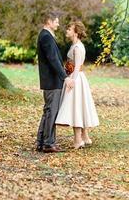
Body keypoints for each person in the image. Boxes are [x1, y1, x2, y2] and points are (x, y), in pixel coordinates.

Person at [55, 21, 99, 149]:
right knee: (78, 107)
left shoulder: (78, 47)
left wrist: (72, 82)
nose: (67, 31)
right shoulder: (74, 45)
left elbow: (77, 67)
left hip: (76, 79)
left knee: (76, 109)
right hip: (73, 77)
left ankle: (78, 140)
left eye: (69, 29)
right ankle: (84, 137)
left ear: (75, 32)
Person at [36, 12, 74, 153]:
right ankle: (48, 143)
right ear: (49, 21)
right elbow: (53, 60)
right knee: (51, 112)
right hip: (52, 81)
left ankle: (41, 141)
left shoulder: (45, 35)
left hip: (50, 81)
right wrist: (65, 77)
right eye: (56, 21)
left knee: (48, 112)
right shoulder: (46, 36)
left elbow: (54, 59)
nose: (58, 24)